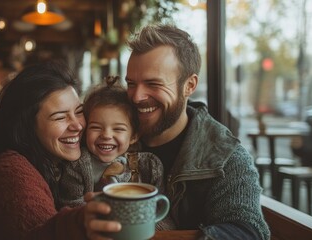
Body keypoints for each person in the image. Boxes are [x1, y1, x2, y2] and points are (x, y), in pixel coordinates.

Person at [86, 24, 270, 239]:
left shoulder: (226, 158)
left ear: (189, 85)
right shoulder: (107, 136)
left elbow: (247, 233)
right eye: (131, 84)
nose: (136, 97)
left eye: (153, 84)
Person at [0, 60, 121, 240]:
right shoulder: (11, 175)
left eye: (79, 111)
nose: (78, 125)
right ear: (27, 126)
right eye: (59, 117)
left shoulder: (55, 166)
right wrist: (77, 224)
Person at [57, 76, 164, 210]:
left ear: (134, 136)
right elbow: (70, 208)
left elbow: (162, 210)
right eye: (96, 127)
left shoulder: (149, 167)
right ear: (85, 130)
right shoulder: (76, 167)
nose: (106, 135)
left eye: (118, 129)